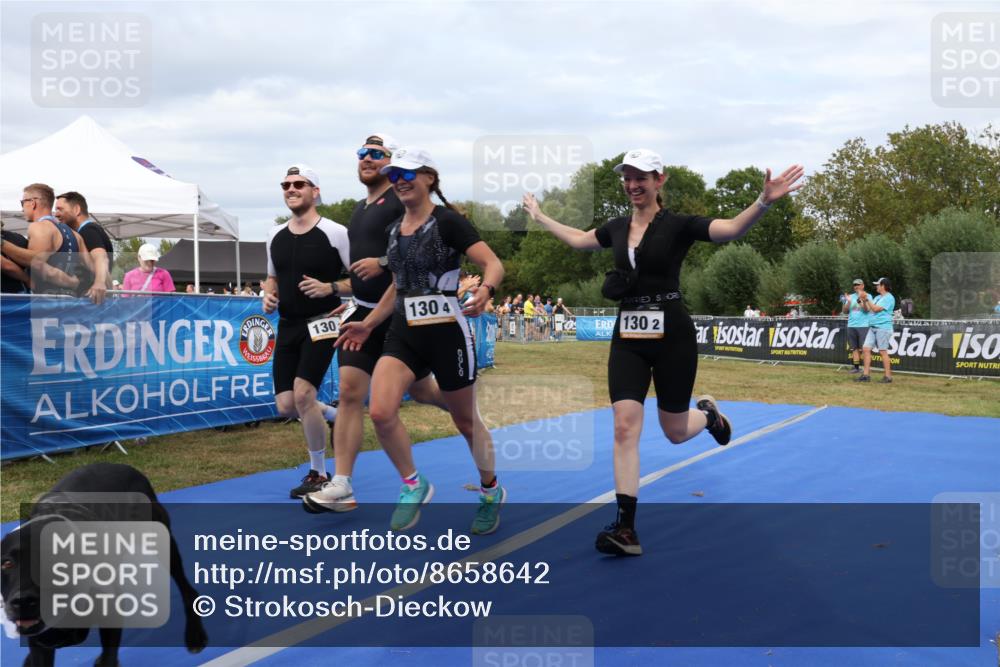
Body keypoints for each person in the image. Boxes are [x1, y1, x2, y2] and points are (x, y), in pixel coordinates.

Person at [523, 149, 803, 556]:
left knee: (674, 432)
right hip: (628, 335)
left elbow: (729, 230)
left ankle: (707, 415)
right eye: (628, 178)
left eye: (642, 177)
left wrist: (761, 202)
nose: (633, 184)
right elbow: (581, 241)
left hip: (672, 333)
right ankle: (626, 529)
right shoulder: (617, 227)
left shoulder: (679, 225)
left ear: (660, 180)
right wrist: (539, 216)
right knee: (624, 425)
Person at [335, 147, 506, 534]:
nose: (400, 181)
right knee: (379, 410)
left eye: (409, 174)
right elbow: (398, 285)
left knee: (465, 420)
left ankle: (490, 491)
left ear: (429, 178)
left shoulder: (448, 222)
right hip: (404, 331)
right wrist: (368, 323)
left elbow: (492, 263)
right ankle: (413, 483)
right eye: (395, 175)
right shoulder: (394, 231)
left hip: (448, 332)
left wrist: (488, 289)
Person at [304, 134, 447, 515]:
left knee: (423, 393)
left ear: (391, 164)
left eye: (376, 155)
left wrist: (384, 263)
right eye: (361, 154)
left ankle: (463, 408)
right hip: (362, 313)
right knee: (350, 393)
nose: (366, 159)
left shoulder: (399, 200)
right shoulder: (358, 209)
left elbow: (420, 240)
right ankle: (343, 484)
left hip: (400, 315)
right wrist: (349, 300)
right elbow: (359, 269)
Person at [263, 164, 350, 497]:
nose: (290, 188)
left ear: (316, 191)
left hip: (322, 323)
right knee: (286, 406)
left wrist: (331, 288)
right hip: (287, 325)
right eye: (285, 184)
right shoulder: (275, 235)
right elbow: (272, 277)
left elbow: (363, 278)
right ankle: (334, 414)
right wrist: (268, 296)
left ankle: (318, 473)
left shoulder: (336, 232)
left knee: (303, 394)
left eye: (299, 183)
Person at [4, 183, 92, 295]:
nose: (22, 209)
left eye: (22, 203)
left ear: (33, 203)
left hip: (44, 304)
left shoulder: (39, 227)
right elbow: (92, 269)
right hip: (70, 302)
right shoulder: (75, 234)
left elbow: (37, 263)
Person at [55, 191, 113, 305]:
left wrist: (99, 283)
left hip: (93, 301)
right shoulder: (85, 231)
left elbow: (101, 257)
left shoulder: (88, 230)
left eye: (60, 209)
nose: (56, 214)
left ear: (76, 210)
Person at [856, 277, 895, 384]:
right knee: (866, 349)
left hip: (883, 327)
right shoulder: (878, 297)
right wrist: (862, 301)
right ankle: (866, 375)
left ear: (883, 286)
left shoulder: (889, 298)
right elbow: (867, 309)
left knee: (883, 351)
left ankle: (888, 377)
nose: (876, 286)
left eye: (878, 285)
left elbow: (875, 309)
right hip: (873, 327)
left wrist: (867, 299)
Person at [841, 279, 870, 374]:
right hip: (851, 325)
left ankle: (866, 369)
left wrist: (860, 300)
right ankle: (856, 368)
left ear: (863, 285)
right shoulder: (850, 297)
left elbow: (867, 310)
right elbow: (844, 311)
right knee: (854, 348)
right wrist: (848, 302)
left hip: (863, 325)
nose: (856, 286)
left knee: (864, 349)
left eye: (858, 284)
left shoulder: (868, 296)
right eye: (854, 285)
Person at [1, 228, 30, 293]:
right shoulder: (18, 236)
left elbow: (7, 266)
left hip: (7, 292)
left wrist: (28, 280)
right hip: (22, 288)